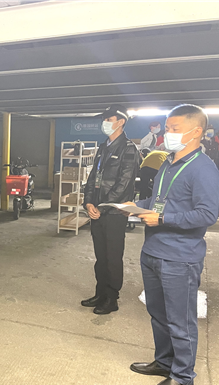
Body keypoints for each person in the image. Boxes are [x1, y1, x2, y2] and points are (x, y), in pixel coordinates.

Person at [127, 104, 219, 385]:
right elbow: (159, 200)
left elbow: (207, 214)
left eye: (175, 129)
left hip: (180, 257)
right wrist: (134, 206)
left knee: (181, 320)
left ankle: (182, 376)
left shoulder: (203, 168)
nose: (168, 133)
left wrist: (163, 219)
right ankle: (165, 362)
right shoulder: (167, 163)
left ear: (196, 132)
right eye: (167, 128)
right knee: (158, 313)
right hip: (153, 250)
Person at [82, 104, 140, 314]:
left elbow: (123, 185)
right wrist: (88, 202)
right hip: (97, 210)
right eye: (104, 119)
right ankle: (100, 293)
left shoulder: (128, 149)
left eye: (109, 119)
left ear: (121, 122)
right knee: (101, 257)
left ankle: (112, 298)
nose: (104, 123)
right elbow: (92, 178)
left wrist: (102, 207)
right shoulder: (103, 147)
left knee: (113, 257)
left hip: (114, 213)